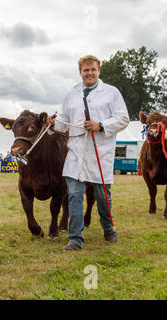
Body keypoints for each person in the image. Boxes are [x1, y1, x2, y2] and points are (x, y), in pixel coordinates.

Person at [47, 55, 129, 251]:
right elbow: (63, 121)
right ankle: (75, 238)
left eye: (93, 69)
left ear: (99, 71)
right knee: (74, 194)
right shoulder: (71, 94)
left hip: (100, 151)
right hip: (76, 150)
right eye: (86, 70)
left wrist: (100, 125)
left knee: (102, 195)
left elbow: (123, 118)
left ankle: (109, 229)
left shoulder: (111, 93)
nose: (89, 73)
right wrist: (52, 123)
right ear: (80, 72)